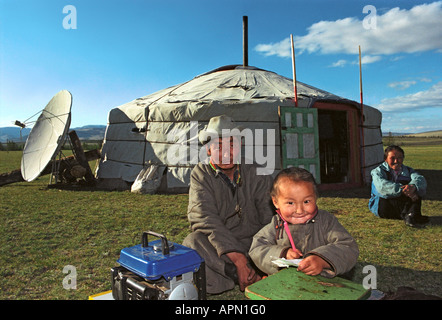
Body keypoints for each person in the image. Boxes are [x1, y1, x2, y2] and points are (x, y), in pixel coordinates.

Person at [182, 115, 274, 294]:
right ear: (208, 150)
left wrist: (265, 251)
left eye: (232, 145)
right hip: (221, 249)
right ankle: (239, 274)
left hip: (255, 245)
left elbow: (269, 217)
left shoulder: (257, 172)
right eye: (218, 146)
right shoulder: (201, 174)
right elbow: (204, 219)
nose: (226, 153)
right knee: (192, 242)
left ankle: (250, 271)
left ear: (240, 147)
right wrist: (239, 262)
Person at [249, 167, 359, 278]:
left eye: (306, 201)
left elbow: (348, 247)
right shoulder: (276, 225)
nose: (300, 210)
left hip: (324, 284)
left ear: (315, 198)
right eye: (290, 203)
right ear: (276, 202)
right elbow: (256, 249)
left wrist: (322, 260)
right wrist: (283, 253)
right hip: (286, 283)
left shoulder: (326, 222)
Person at [369, 145, 428, 228]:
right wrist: (404, 191)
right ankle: (412, 215)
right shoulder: (377, 172)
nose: (396, 161)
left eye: (399, 158)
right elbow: (382, 187)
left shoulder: (408, 170)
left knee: (416, 188)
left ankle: (411, 216)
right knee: (408, 193)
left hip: (400, 204)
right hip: (384, 206)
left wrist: (413, 187)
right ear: (385, 159)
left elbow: (419, 179)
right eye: (392, 158)